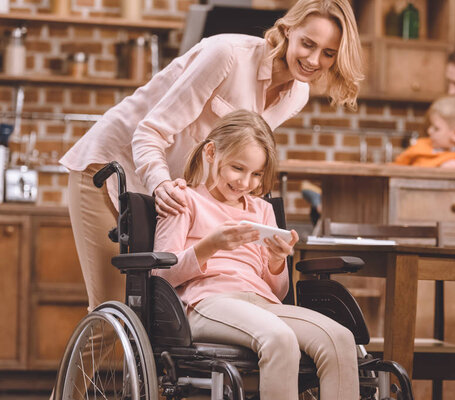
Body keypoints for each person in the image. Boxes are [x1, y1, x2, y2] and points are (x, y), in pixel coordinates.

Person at [58, 0, 363, 312]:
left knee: (151, 313)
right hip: (109, 171)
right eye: (308, 44)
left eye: (328, 53)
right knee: (114, 309)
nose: (313, 59)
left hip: (168, 197)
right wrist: (160, 184)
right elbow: (150, 130)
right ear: (287, 31)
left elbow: (238, 150)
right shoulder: (227, 55)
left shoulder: (298, 94)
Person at [153, 109, 360, 400]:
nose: (245, 183)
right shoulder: (184, 200)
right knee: (279, 338)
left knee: (340, 339)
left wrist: (277, 261)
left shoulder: (262, 210)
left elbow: (278, 290)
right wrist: (209, 246)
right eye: (237, 168)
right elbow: (161, 275)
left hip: (262, 303)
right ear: (211, 152)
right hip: (206, 303)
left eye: (256, 174)